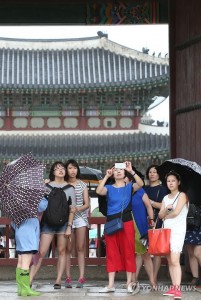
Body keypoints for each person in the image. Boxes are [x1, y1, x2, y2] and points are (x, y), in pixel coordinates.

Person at [96, 161, 144, 294]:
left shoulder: (129, 187)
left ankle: (129, 283)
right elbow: (99, 191)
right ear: (113, 172)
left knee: (129, 251)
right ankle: (111, 284)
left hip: (126, 222)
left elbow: (141, 184)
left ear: (124, 173)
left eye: (121, 170)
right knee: (111, 252)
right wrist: (106, 176)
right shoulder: (109, 188)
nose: (118, 171)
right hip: (111, 222)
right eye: (115, 169)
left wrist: (132, 171)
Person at [30, 161, 76, 289]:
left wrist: (69, 226)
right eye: (57, 168)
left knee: (61, 251)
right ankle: (29, 279)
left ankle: (58, 280)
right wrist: (41, 187)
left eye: (62, 168)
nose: (60, 170)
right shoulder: (46, 186)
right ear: (53, 172)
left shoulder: (70, 188)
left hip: (63, 224)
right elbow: (39, 205)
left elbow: (72, 209)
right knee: (41, 252)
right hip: (48, 223)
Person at [158, 171, 188, 299]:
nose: (170, 183)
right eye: (168, 181)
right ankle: (173, 286)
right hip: (166, 231)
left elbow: (176, 213)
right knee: (170, 260)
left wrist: (166, 216)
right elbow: (160, 215)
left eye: (173, 181)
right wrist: (165, 209)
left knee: (175, 259)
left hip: (177, 231)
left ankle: (178, 288)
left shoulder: (182, 195)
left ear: (178, 182)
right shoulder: (165, 198)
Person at [124, 171, 156, 289]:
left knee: (145, 255)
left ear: (131, 180)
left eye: (125, 178)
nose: (124, 181)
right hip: (126, 227)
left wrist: (151, 220)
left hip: (141, 226)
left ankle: (152, 281)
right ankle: (133, 281)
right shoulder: (121, 193)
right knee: (132, 255)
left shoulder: (140, 191)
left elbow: (148, 206)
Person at [12, 197, 48, 297]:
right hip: (28, 232)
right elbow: (42, 206)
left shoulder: (15, 201)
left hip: (19, 232)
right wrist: (43, 195)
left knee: (20, 260)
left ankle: (20, 288)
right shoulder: (32, 197)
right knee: (26, 261)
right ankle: (26, 288)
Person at [64, 159, 90, 288]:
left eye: (75, 168)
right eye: (70, 168)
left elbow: (87, 204)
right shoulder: (63, 184)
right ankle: (68, 277)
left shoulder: (82, 184)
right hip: (67, 219)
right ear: (66, 170)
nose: (73, 170)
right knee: (68, 248)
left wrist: (77, 209)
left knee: (80, 248)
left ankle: (81, 277)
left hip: (80, 218)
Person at [143, 164, 169, 284]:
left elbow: (163, 206)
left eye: (154, 172)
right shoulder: (144, 188)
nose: (152, 174)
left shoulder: (163, 189)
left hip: (157, 221)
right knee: (144, 251)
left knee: (156, 252)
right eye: (150, 172)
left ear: (159, 175)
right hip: (144, 220)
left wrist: (150, 202)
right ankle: (150, 277)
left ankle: (154, 278)